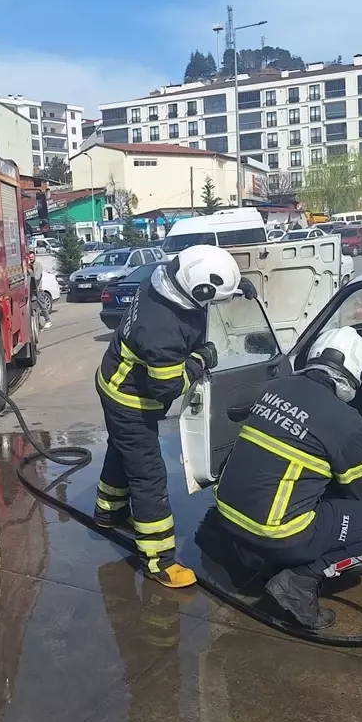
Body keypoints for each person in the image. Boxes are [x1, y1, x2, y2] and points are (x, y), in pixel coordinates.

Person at [213, 326, 362, 628]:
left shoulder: (274, 387)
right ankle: (300, 580)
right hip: (275, 533)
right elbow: (361, 493)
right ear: (359, 371)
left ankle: (263, 559)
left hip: (226, 518)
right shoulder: (347, 421)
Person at [94, 244, 247, 588]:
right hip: (129, 401)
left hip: (113, 381)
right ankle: (157, 560)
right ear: (199, 290)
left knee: (122, 450)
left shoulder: (164, 278)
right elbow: (167, 388)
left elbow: (203, 290)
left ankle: (109, 511)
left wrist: (237, 289)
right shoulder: (160, 331)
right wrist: (201, 360)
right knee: (149, 478)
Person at [26, 249, 51, 329]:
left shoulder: (38, 265)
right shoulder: (29, 265)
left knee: (42, 305)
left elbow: (36, 277)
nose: (31, 259)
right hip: (31, 290)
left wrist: (29, 270)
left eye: (32, 257)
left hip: (38, 289)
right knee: (35, 308)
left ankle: (48, 321)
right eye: (30, 258)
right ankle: (39, 324)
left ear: (35, 257)